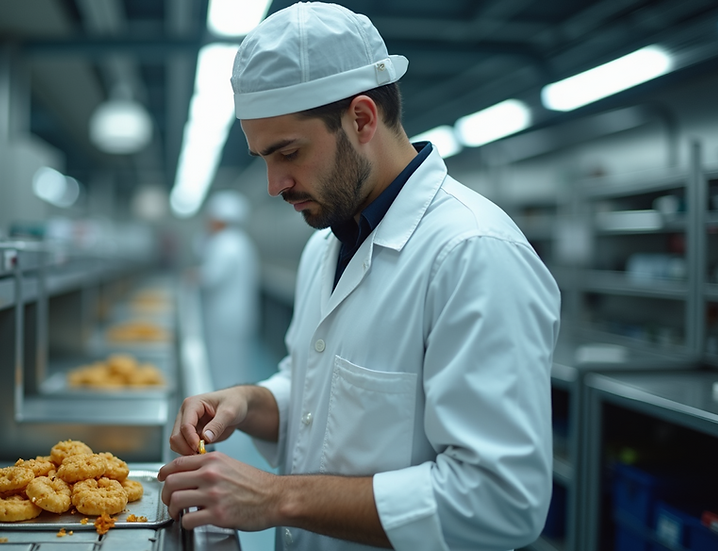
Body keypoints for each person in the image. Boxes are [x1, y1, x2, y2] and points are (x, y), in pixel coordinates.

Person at [157, 3, 561, 550]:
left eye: (288, 152)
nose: (276, 184)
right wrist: (250, 403)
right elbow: (320, 397)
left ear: (363, 119)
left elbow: (499, 499)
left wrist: (279, 499)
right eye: (263, 159)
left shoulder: (472, 253)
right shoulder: (327, 243)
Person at [198, 190, 260, 390]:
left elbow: (212, 277)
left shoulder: (224, 242)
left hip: (224, 316)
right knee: (236, 362)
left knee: (222, 364)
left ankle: (222, 407)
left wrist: (193, 276)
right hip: (239, 314)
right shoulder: (242, 241)